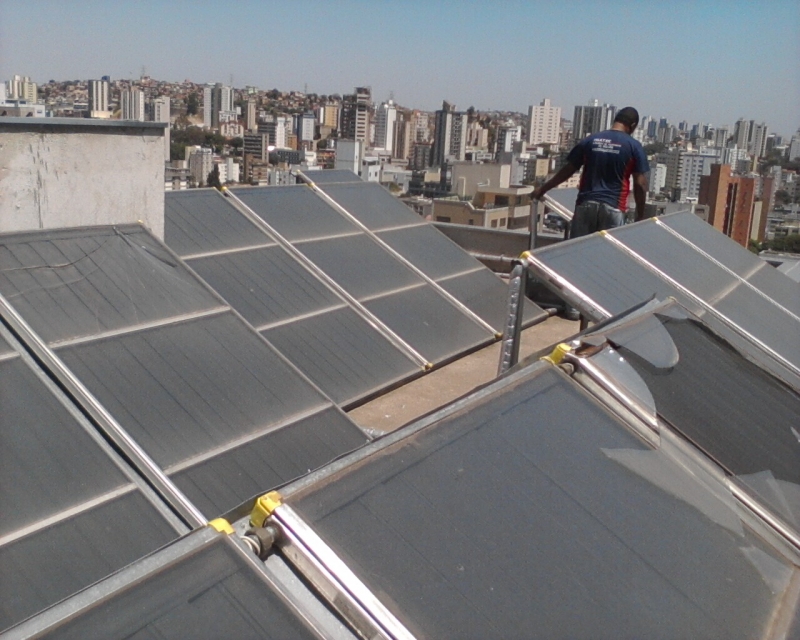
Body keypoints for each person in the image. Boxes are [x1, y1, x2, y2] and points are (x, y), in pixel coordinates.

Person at [531, 106, 649, 319]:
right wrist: (640, 216)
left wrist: (543, 189)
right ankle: (598, 314)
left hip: (585, 205)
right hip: (614, 208)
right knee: (607, 263)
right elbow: (640, 183)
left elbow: (567, 170)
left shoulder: (590, 141)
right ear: (633, 126)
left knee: (578, 260)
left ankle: (574, 310)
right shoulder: (633, 146)